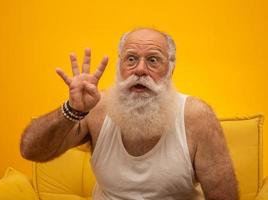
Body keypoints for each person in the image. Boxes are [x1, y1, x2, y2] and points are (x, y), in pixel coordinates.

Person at [20, 28, 238, 200]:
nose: (140, 69)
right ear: (119, 67)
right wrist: (73, 109)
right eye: (131, 59)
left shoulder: (196, 116)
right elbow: (31, 151)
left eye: (153, 60)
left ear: (170, 69)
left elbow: (223, 197)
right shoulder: (95, 108)